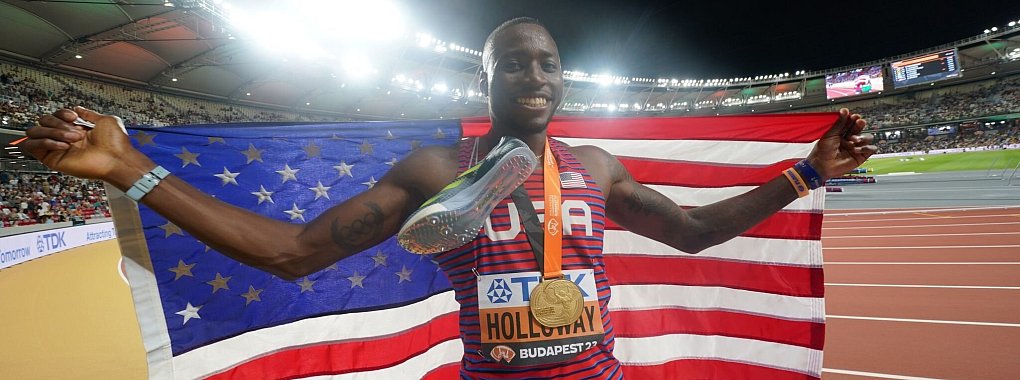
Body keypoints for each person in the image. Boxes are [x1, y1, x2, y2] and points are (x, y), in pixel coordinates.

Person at [22, 17, 876, 379]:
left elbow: (693, 232)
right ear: (487, 77)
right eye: (513, 62)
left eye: (547, 61)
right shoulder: (438, 171)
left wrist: (806, 174)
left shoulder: (596, 166)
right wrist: (133, 169)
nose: (534, 75)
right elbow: (291, 254)